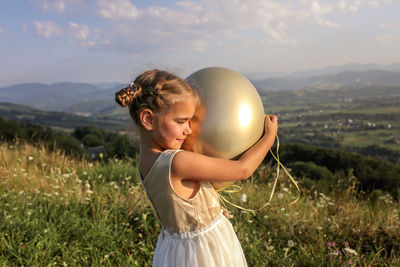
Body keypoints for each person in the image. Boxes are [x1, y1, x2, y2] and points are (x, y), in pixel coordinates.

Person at [115, 69, 278, 267]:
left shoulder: (145, 161)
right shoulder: (177, 162)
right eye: (181, 121)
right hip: (205, 253)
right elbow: (243, 169)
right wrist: (269, 137)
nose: (189, 130)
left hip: (175, 252)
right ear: (148, 119)